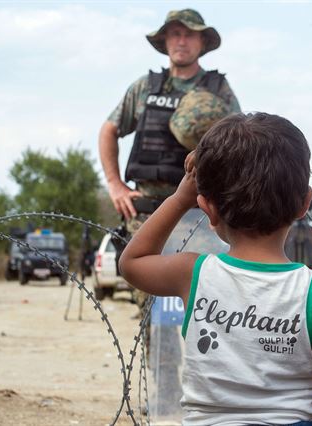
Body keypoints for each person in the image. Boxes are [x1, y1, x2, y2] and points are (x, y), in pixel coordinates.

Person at [119, 113, 312, 425]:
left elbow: (132, 263)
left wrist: (181, 199)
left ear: (207, 208)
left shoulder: (193, 272)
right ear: (305, 204)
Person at [98, 7, 240, 312]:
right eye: (175, 33)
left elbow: (240, 141)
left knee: (205, 301)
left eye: (189, 34)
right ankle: (155, 361)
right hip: (149, 211)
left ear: (202, 42)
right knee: (151, 306)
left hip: (201, 214)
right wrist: (114, 184)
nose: (182, 40)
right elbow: (109, 129)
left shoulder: (219, 90)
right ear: (165, 41)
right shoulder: (145, 88)